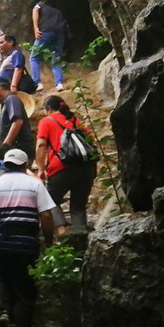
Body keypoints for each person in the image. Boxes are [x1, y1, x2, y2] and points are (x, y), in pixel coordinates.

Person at [0, 150, 56, 327]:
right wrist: (49, 243)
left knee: (5, 281)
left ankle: (5, 312)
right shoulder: (35, 184)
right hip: (26, 245)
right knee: (25, 292)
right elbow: (46, 216)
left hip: (0, 245)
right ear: (25, 165)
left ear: (5, 165)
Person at [36, 96, 97, 232]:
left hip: (60, 168)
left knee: (50, 200)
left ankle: (62, 235)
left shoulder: (47, 121)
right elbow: (90, 144)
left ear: (49, 109)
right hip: (85, 169)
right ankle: (80, 242)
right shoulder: (77, 121)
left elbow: (41, 144)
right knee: (78, 207)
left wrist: (41, 168)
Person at [0, 78, 35, 160]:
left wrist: (6, 145)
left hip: (19, 149)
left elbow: (18, 122)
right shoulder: (5, 104)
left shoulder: (12, 99)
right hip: (12, 149)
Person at [30, 0, 70, 91]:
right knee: (56, 59)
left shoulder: (40, 5)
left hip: (46, 32)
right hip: (60, 34)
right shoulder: (58, 12)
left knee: (34, 57)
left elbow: (35, 10)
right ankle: (59, 84)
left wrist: (36, 28)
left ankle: (37, 83)